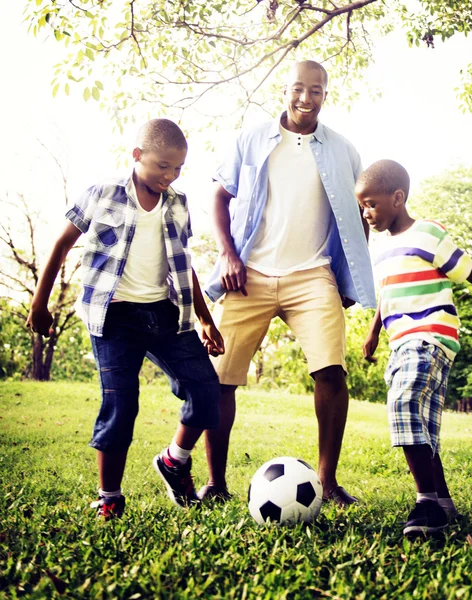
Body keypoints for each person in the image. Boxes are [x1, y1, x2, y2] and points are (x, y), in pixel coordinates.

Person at [26, 119, 224, 519]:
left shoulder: (178, 203)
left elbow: (184, 265)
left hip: (166, 312)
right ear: (137, 156)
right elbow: (63, 244)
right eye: (162, 166)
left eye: (177, 169)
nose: (169, 176)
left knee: (206, 390)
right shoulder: (103, 194)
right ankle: (109, 496)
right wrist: (39, 302)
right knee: (121, 403)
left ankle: (175, 460)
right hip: (114, 316)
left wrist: (205, 318)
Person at [202, 60, 376, 506]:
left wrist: (346, 269)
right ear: (285, 90)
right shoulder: (252, 139)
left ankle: (329, 482)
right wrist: (227, 254)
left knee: (332, 372)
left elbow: (360, 214)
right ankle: (215, 484)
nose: (305, 98)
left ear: (325, 94)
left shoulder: (343, 150)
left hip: (312, 275)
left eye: (315, 90)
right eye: (298, 88)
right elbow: (220, 197)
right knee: (219, 379)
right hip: (248, 275)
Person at [357, 159, 472, 535]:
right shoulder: (385, 249)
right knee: (423, 426)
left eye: (371, 204)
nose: (366, 213)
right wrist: (374, 331)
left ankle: (426, 504)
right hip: (401, 342)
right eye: (362, 206)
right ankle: (443, 502)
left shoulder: (427, 233)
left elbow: (466, 267)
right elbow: (388, 293)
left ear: (397, 198)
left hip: (429, 336)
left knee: (404, 404)